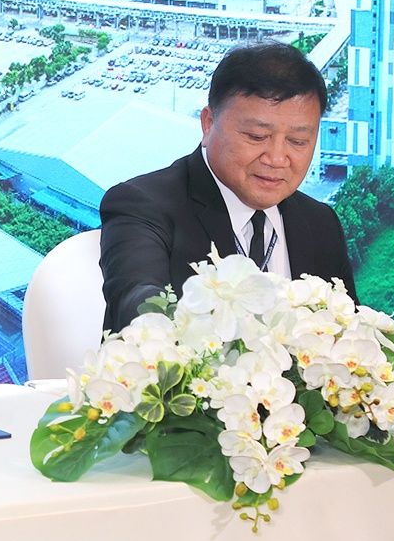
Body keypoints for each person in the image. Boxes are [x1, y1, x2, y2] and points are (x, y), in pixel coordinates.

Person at [99, 41, 358, 332]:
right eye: (257, 136)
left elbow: (350, 332)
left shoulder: (320, 223)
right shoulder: (143, 206)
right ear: (208, 123)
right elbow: (139, 306)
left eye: (297, 141)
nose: (276, 158)